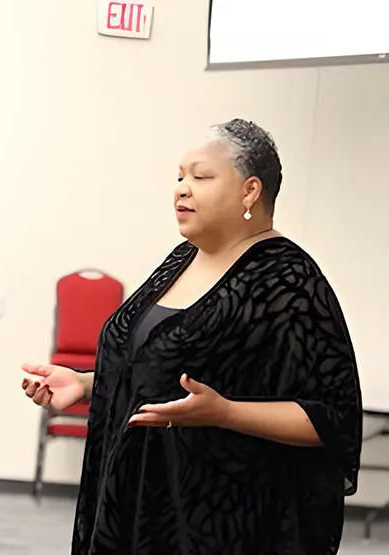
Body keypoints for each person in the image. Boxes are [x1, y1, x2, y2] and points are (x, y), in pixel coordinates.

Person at [21, 118, 362, 555]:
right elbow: (159, 365)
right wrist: (85, 382)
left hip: (218, 521)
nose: (181, 189)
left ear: (250, 191)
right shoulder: (181, 260)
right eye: (180, 177)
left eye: (200, 177)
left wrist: (225, 413)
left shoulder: (288, 279)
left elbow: (332, 419)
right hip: (136, 501)